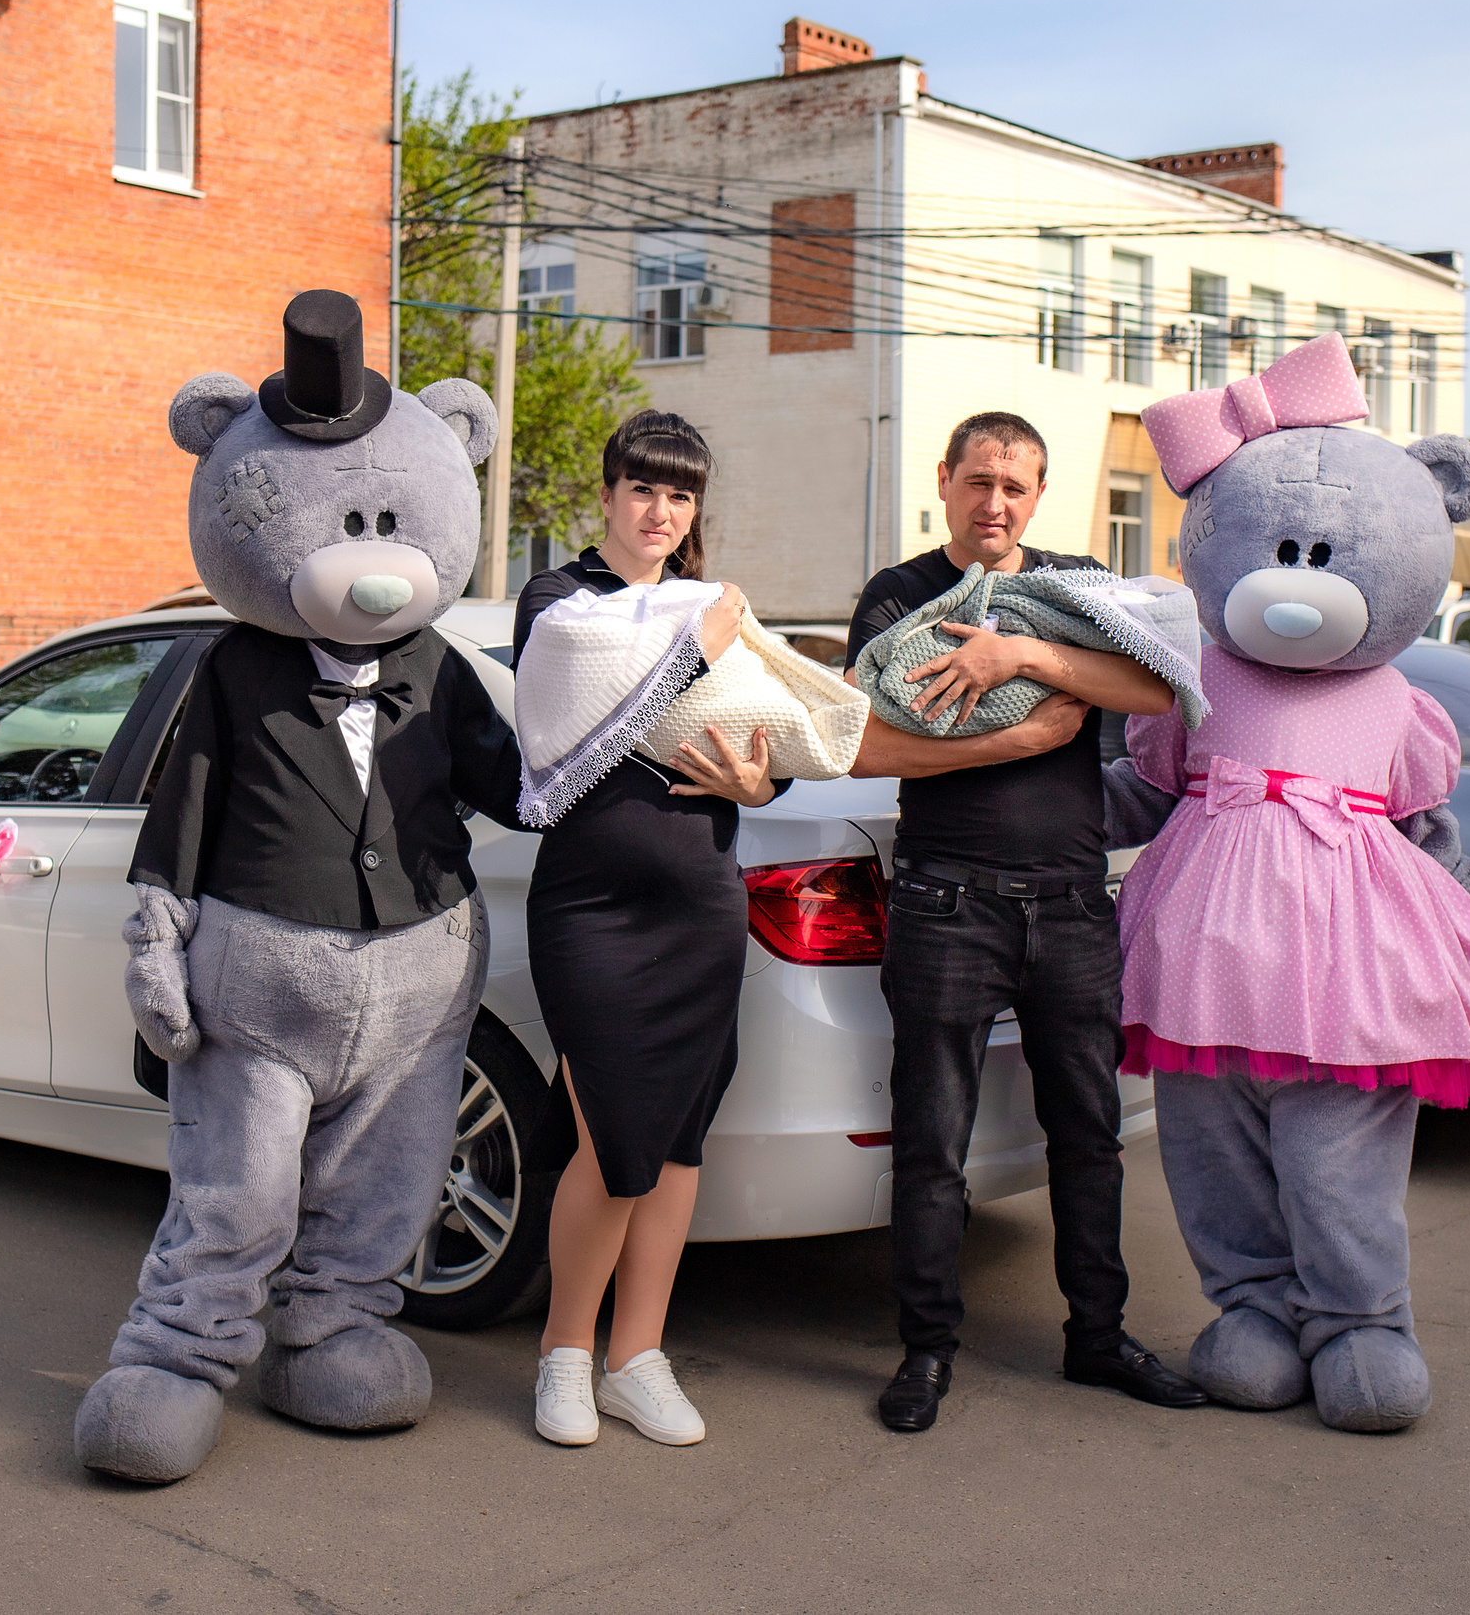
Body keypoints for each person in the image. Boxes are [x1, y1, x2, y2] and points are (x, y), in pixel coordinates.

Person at [844, 411, 1205, 1432]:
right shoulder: (901, 597)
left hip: (1071, 901)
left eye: (1015, 485)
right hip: (945, 902)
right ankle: (925, 1352)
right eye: (977, 481)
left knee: (1088, 1139)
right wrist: (1017, 744)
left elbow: (1154, 688)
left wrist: (1022, 657)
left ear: (1038, 494)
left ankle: (1097, 1336)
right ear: (946, 480)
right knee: (931, 1145)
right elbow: (862, 749)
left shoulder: (1076, 586)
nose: (994, 502)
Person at [514, 411, 784, 1449]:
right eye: (642, 489)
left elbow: (771, 741)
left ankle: (638, 1357)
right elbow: (596, 700)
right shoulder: (561, 599)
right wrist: (704, 638)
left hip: (701, 905)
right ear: (607, 494)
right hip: (591, 908)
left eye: (679, 494)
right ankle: (562, 1353)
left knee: (676, 1145)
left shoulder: (710, 605)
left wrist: (759, 780)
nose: (659, 512)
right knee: (614, 1139)